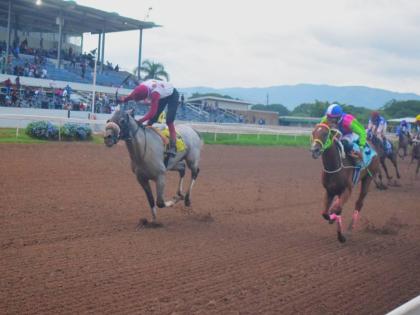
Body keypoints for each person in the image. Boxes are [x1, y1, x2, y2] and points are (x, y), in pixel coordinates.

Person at [121, 79, 180, 157]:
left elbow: (152, 113)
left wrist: (141, 121)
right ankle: (147, 138)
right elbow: (132, 95)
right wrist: (124, 100)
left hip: (172, 94)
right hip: (163, 92)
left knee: (169, 120)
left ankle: (173, 146)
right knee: (152, 120)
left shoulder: (155, 94)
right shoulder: (141, 87)